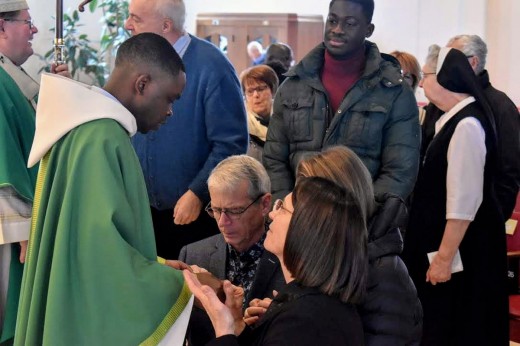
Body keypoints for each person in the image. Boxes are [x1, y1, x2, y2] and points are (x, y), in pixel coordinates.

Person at [15, 33, 193, 345]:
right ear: (142, 85)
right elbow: (99, 256)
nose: (170, 112)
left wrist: (160, 264)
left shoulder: (86, 128)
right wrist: (177, 284)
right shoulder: (103, 137)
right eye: (170, 99)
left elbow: (84, 238)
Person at [125, 0, 248, 260]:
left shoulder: (212, 66)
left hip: (194, 217)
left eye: (136, 19)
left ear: (166, 25)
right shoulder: (135, 61)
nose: (127, 25)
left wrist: (197, 192)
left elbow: (231, 144)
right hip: (143, 215)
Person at [402, 45, 508, 345]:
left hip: (460, 254)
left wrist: (443, 260)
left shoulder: (467, 125)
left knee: (457, 327)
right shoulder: (453, 119)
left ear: (446, 78)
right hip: (447, 250)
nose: (421, 83)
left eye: (426, 75)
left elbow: (464, 203)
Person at [263, 0, 421, 202]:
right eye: (333, 20)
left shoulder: (394, 92)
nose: (337, 30)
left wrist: (358, 215)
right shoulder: (294, 85)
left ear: (368, 29)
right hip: (298, 216)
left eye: (350, 23)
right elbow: (274, 158)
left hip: (361, 221)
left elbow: (400, 170)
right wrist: (288, 207)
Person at [184, 176, 367, 345]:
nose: (272, 214)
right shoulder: (306, 308)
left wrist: (223, 329)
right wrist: (238, 327)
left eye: (283, 208)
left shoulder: (303, 321)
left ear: (305, 231)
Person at [296, 146, 423, 345]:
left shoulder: (385, 274)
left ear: (339, 202)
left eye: (306, 203)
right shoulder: (336, 251)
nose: (301, 213)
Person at [0, 0, 69, 342]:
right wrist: (25, 233)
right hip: (11, 236)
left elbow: (30, 136)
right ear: (1, 27)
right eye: (27, 22)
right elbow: (5, 161)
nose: (35, 30)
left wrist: (58, 95)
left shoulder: (9, 77)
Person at [179, 155, 285, 345]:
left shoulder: (289, 260)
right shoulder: (193, 255)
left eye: (235, 211)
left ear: (265, 204)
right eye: (216, 210)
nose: (222, 222)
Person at [421, 34, 519, 221]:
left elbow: (508, 172)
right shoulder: (440, 103)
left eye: (452, 59)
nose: (444, 66)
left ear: (473, 63)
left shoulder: (500, 106)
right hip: (436, 216)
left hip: (476, 222)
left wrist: (492, 220)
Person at [239, 65, 279, 162]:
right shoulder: (240, 124)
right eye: (250, 91)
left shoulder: (286, 118)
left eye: (261, 89)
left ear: (272, 90)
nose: (256, 95)